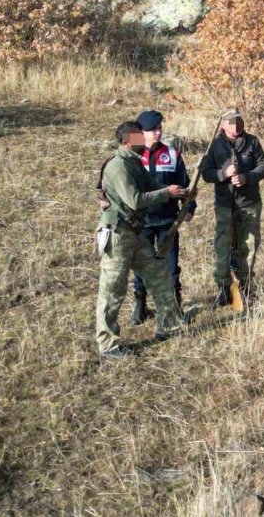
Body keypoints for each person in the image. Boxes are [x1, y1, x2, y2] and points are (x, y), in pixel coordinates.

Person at [95, 121, 187, 358]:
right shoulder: (117, 167)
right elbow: (134, 200)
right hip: (118, 235)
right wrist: (166, 193)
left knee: (159, 274)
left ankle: (169, 326)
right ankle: (108, 345)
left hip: (134, 233)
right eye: (138, 136)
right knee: (112, 290)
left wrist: (177, 191)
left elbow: (152, 185)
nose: (144, 139)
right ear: (127, 141)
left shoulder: (134, 162)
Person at [127, 109, 195, 323]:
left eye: (159, 128)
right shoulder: (133, 156)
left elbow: (185, 184)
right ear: (141, 132)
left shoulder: (172, 154)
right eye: (152, 130)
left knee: (171, 266)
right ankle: (140, 306)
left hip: (168, 221)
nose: (158, 133)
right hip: (141, 222)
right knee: (141, 266)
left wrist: (189, 207)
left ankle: (175, 308)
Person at [200, 108, 264, 306]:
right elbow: (206, 173)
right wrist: (223, 173)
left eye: (239, 121)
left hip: (249, 203)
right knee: (223, 247)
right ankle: (223, 289)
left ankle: (246, 287)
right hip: (224, 205)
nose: (237, 126)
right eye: (232, 122)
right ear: (223, 125)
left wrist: (247, 177)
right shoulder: (214, 145)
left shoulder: (252, 141)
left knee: (248, 246)